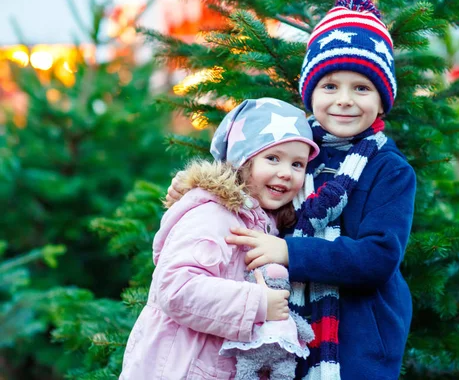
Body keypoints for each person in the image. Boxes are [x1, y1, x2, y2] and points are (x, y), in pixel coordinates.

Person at [167, 0, 416, 380]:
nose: (345, 101)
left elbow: (378, 257)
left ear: (383, 100)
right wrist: (196, 188)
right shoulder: (296, 151)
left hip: (359, 338)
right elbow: (246, 187)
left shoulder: (390, 170)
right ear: (310, 93)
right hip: (287, 322)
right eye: (330, 86)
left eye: (362, 88)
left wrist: (288, 251)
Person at [120, 98, 320, 380]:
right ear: (243, 160)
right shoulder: (214, 215)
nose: (286, 172)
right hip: (180, 368)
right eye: (272, 158)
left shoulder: (265, 224)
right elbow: (176, 288)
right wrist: (258, 305)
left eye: (297, 164)